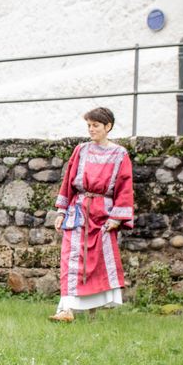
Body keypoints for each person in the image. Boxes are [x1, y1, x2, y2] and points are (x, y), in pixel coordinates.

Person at [49, 107, 134, 323]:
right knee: (70, 258)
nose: (91, 129)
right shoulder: (81, 150)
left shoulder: (120, 154)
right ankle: (66, 309)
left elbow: (125, 187)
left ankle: (92, 313)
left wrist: (116, 218)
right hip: (78, 210)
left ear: (108, 127)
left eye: (95, 125)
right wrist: (61, 211)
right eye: (89, 125)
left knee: (97, 263)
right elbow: (69, 181)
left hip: (102, 213)